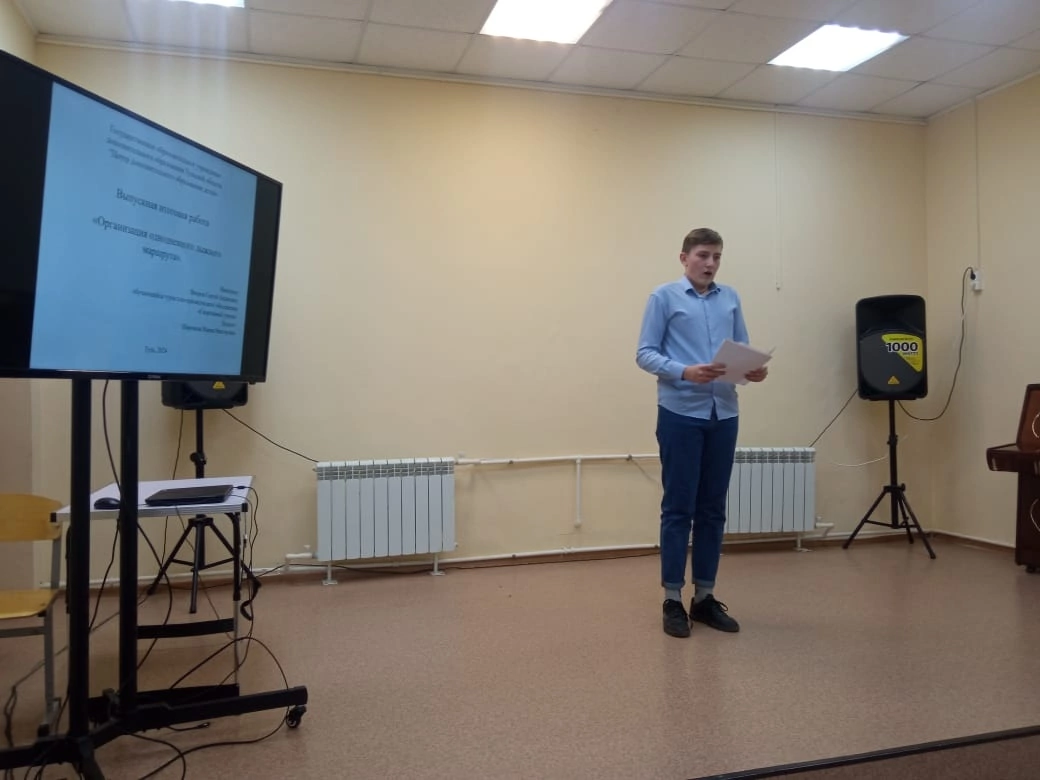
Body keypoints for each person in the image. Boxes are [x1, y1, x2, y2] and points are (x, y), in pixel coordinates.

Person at [635, 227, 768, 638]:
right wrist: (684, 371)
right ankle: (673, 599)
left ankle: (705, 598)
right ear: (684, 258)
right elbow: (644, 353)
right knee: (679, 508)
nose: (710, 264)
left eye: (717, 257)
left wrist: (753, 370)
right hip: (680, 413)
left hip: (723, 413)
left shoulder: (730, 298)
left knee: (712, 508)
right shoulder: (664, 297)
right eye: (703, 255)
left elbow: (742, 349)